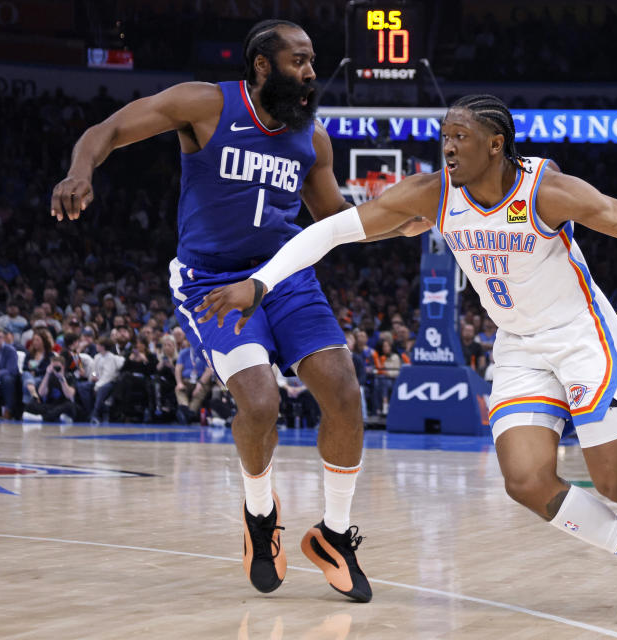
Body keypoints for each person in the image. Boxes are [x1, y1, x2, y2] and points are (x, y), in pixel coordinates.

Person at [197, 94, 617, 626]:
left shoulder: (549, 192)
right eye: (445, 136)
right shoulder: (434, 194)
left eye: (460, 137)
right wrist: (261, 283)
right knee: (527, 481)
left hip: (582, 338)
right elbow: (328, 233)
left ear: (496, 144)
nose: (448, 147)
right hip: (519, 347)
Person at [50, 19, 423, 601]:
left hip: (284, 277)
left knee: (346, 395)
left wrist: (398, 225)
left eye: (312, 61)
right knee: (259, 402)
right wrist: (80, 170)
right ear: (262, 65)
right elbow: (112, 127)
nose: (309, 73)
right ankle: (259, 516)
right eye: (298, 61)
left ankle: (333, 535)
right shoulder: (205, 104)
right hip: (211, 282)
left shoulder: (313, 140)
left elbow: (332, 222)